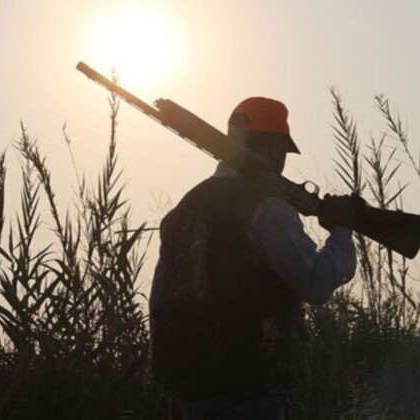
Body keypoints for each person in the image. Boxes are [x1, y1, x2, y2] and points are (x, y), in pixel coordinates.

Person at [149, 97, 357, 419]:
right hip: (249, 387)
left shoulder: (183, 209)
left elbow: (160, 302)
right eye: (282, 151)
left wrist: (177, 389)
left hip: (190, 390)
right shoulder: (268, 205)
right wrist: (342, 230)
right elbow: (315, 283)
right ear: (275, 147)